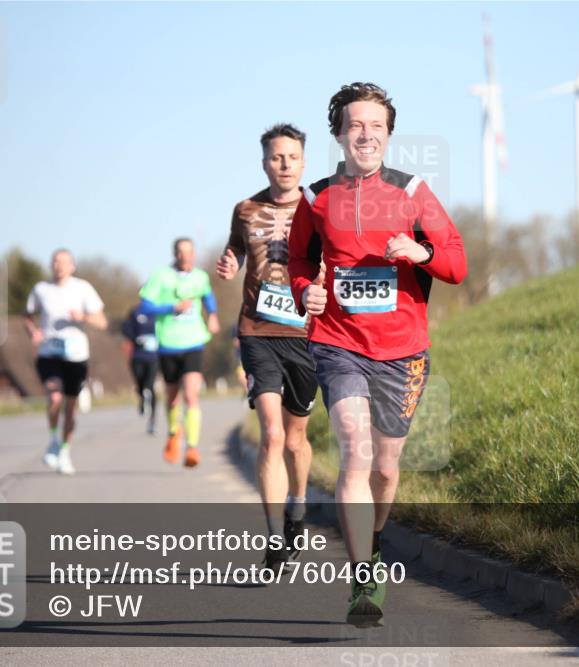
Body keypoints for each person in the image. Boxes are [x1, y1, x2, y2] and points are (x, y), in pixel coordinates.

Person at [288, 83, 467, 626]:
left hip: (403, 351)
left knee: (386, 469)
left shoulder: (413, 191)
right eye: (355, 125)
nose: (365, 134)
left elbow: (457, 264)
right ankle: (361, 574)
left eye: (376, 126)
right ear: (339, 133)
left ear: (388, 134)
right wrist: (305, 293)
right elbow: (297, 261)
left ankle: (378, 539)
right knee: (355, 453)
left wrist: (421, 252)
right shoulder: (315, 196)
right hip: (339, 344)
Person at [216, 123, 317, 570]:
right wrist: (229, 262)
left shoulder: (320, 208)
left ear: (303, 161)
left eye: (292, 157)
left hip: (307, 335)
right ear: (264, 163)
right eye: (276, 157)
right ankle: (275, 537)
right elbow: (236, 251)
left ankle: (297, 508)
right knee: (272, 434)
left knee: (296, 440)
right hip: (258, 332)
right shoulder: (245, 208)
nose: (284, 165)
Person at [24, 249, 108, 475]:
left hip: (76, 356)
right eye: (55, 262)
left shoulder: (83, 288)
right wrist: (32, 332)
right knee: (54, 396)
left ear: (72, 266)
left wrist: (84, 317)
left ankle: (65, 452)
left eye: (64, 262)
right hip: (49, 353)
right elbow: (28, 316)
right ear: (51, 265)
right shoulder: (41, 290)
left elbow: (102, 322)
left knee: (70, 409)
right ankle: (53, 439)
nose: (59, 266)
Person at [140, 238, 220, 467]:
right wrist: (171, 307)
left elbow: (207, 295)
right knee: (172, 397)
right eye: (181, 252)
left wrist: (212, 315)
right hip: (168, 344)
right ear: (175, 254)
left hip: (194, 342)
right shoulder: (160, 276)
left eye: (189, 252)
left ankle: (192, 447)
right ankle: (174, 432)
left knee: (191, 395)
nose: (185, 256)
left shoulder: (200, 276)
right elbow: (145, 306)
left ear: (194, 254)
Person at [121, 304, 159, 434]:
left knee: (150, 385)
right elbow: (126, 328)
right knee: (140, 386)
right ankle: (142, 399)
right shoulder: (135, 312)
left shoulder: (158, 311)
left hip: (154, 357)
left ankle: (152, 420)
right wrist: (136, 339)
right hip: (137, 356)